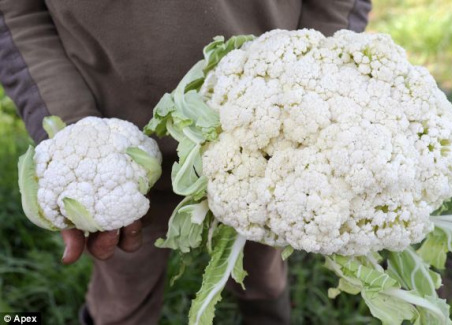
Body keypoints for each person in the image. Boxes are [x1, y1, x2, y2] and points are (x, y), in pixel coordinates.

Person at [0, 1, 371, 324]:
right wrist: (72, 128)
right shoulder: (107, 163)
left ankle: (268, 314)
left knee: (263, 271)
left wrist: (315, 86)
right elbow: (16, 12)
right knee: (123, 293)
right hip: (119, 156)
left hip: (267, 149)